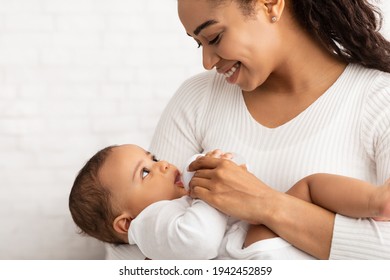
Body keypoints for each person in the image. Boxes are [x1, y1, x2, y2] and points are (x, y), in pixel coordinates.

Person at [108, 0, 390, 259]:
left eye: (214, 37)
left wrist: (267, 205)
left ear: (269, 4)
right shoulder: (196, 99)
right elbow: (134, 243)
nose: (207, 62)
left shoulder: (380, 100)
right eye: (199, 44)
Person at [70, 144, 390, 259]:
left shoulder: (169, 208)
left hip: (253, 239)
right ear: (125, 223)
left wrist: (227, 169)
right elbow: (200, 241)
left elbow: (241, 192)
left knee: (309, 186)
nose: (164, 165)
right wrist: (211, 195)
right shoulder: (148, 226)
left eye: (152, 157)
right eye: (145, 172)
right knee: (309, 187)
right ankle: (375, 201)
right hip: (248, 252)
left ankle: (377, 200)